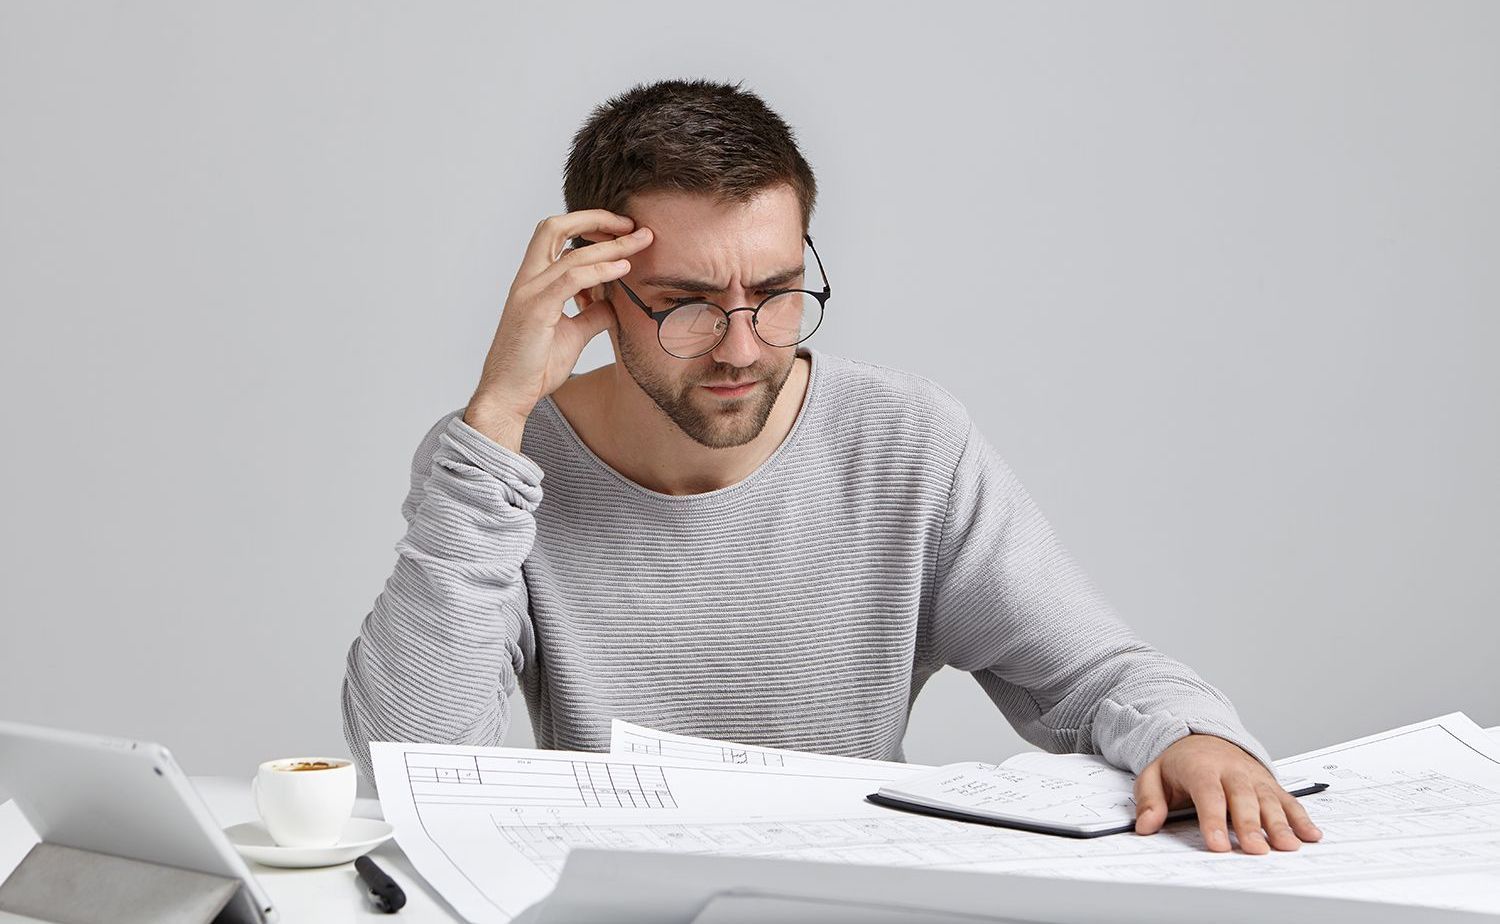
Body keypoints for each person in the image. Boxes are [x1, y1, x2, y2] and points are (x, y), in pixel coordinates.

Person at [341, 77, 1321, 855]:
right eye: (684, 303)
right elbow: (410, 767)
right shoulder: (498, 465)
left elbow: (1092, 675)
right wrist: (501, 409)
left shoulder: (904, 441)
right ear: (595, 291)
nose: (741, 347)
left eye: (773, 292)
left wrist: (1196, 736)